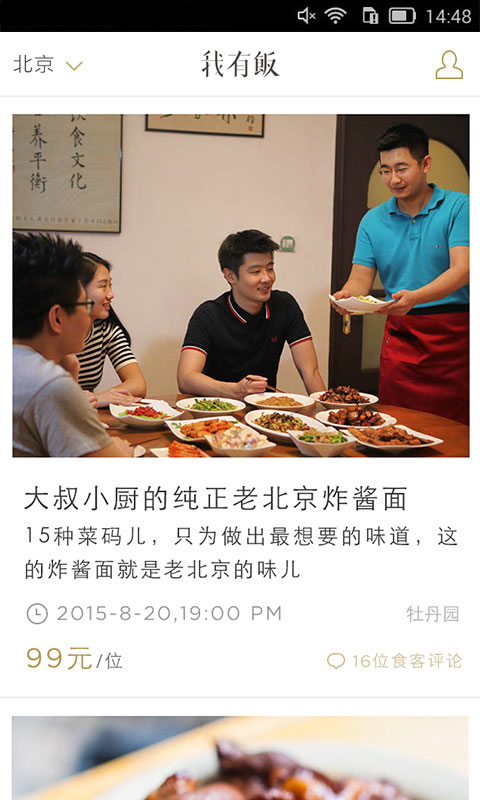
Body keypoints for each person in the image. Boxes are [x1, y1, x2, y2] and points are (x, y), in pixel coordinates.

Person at [332, 123, 469, 424]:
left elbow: (464, 269)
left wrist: (416, 297)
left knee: (456, 431)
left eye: (402, 168)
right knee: (397, 426)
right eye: (385, 170)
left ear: (425, 164)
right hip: (401, 337)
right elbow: (360, 279)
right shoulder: (372, 221)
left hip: (455, 337)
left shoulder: (461, 207)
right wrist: (347, 297)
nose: (393, 179)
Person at [13, 232, 133, 457]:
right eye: (85, 305)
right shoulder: (49, 385)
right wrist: (122, 453)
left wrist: (71, 372)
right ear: (57, 318)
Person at [178, 229, 326, 399]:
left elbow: (310, 372)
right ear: (230, 276)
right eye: (256, 272)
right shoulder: (208, 315)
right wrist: (236, 390)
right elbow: (186, 378)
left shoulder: (284, 305)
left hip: (266, 409)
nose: (267, 278)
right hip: (218, 408)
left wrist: (328, 410)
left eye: (270, 268)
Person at [77, 253, 147, 407]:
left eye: (110, 285)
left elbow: (138, 384)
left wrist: (97, 398)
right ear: (78, 291)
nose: (111, 294)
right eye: (103, 286)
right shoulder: (52, 335)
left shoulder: (106, 329)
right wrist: (97, 399)